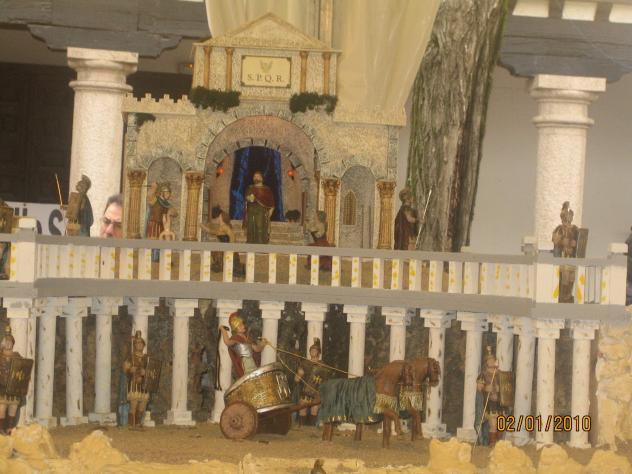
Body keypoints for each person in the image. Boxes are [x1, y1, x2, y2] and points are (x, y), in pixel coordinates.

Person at [220, 312, 267, 378]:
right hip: (244, 366)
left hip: (252, 363)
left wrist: (262, 344)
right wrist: (223, 330)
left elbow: (256, 349)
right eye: (240, 325)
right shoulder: (235, 338)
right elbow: (227, 342)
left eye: (242, 324)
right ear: (236, 327)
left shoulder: (247, 339)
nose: (243, 326)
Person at [201, 206, 244, 276]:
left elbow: (232, 236)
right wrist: (203, 227)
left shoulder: (224, 226)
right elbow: (213, 231)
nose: (215, 219)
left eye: (217, 217)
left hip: (226, 248)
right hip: (223, 248)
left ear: (220, 217)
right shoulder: (221, 226)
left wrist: (230, 248)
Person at [552, 201, 579, 302]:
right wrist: (562, 241)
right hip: (563, 256)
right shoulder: (559, 229)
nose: (569, 217)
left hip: (572, 257)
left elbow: (580, 241)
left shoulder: (575, 229)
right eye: (567, 215)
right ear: (563, 217)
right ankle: (562, 296)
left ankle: (568, 295)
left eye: (571, 215)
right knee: (565, 277)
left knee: (572, 277)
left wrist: (575, 243)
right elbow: (555, 240)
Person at [123, 331, 150, 428]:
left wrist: (146, 372)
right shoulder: (131, 357)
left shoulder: (147, 358)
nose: (139, 345)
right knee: (133, 404)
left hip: (144, 384)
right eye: (137, 343)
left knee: (143, 405)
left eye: (141, 343)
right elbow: (125, 368)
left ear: (144, 345)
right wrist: (130, 369)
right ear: (134, 345)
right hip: (134, 383)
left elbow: (152, 371)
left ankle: (138, 423)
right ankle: (131, 424)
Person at [295, 338, 325, 426]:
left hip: (317, 391)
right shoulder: (305, 363)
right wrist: (298, 376)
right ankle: (302, 428)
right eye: (311, 350)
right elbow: (298, 376)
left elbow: (325, 378)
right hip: (306, 390)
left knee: (314, 409)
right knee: (302, 408)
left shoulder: (322, 365)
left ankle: (311, 429)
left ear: (318, 353)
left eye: (315, 350)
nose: (312, 351)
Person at [0, 326, 23, 434]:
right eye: (6, 342)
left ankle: (10, 429)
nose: (8, 344)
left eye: (10, 342)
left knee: (13, 408)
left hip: (14, 388)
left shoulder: (17, 356)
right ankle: (1, 429)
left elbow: (23, 370)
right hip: (2, 387)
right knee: (2, 408)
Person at [477, 346, 500, 446]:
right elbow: (479, 387)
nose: (491, 362)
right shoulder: (483, 374)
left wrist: (500, 389)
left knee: (500, 423)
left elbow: (506, 386)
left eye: (493, 360)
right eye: (489, 360)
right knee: (493, 424)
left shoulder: (500, 374)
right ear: (486, 362)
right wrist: (486, 388)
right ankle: (492, 442)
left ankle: (498, 442)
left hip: (499, 403)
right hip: (490, 402)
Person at [243, 171, 274, 244]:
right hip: (251, 210)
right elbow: (246, 199)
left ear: (262, 178)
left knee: (260, 226)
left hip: (261, 211)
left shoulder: (266, 189)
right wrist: (248, 198)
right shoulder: (250, 188)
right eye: (254, 176)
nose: (256, 178)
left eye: (258, 176)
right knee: (250, 227)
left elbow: (271, 202)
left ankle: (261, 243)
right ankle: (250, 243)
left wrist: (271, 211)